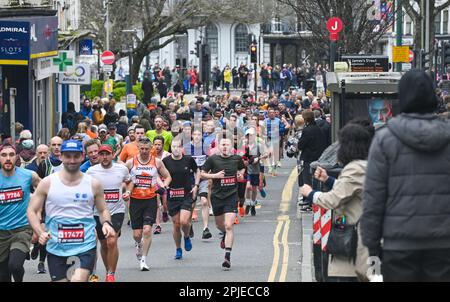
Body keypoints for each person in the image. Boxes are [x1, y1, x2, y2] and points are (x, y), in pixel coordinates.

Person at [361, 70, 450, 282]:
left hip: (398, 245)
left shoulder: (385, 139)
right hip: (443, 243)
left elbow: (373, 199)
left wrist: (372, 248)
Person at [27, 139, 115, 282]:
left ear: (82, 156)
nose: (72, 160)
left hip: (85, 245)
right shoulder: (47, 183)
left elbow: (103, 209)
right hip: (56, 247)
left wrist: (106, 223)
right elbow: (32, 210)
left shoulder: (93, 184)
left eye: (76, 156)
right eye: (68, 156)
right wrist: (40, 232)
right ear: (61, 157)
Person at [301, 124, 373, 282]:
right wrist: (328, 180)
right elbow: (350, 190)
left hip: (354, 240)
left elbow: (333, 200)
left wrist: (310, 193)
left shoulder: (355, 168)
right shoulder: (367, 165)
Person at [124, 137, 171, 271]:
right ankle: (138, 244)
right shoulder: (130, 163)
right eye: (142, 148)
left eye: (147, 149)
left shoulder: (156, 162)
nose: (144, 151)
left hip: (150, 200)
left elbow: (168, 176)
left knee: (147, 230)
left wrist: (164, 187)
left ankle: (143, 260)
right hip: (135, 201)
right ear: (138, 148)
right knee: (137, 234)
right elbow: (122, 178)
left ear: (151, 149)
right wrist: (126, 191)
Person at [201, 133, 246, 270]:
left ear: (232, 146)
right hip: (217, 197)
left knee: (228, 225)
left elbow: (242, 167)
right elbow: (201, 173)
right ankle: (224, 235)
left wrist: (240, 173)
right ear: (218, 146)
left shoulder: (236, 158)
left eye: (227, 144)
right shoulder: (213, 159)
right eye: (222, 145)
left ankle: (227, 256)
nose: (225, 147)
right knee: (220, 225)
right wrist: (214, 175)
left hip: (232, 196)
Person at [86, 145, 130, 282]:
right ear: (98, 156)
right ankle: (107, 269)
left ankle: (111, 274)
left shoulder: (121, 169)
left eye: (107, 154)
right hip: (97, 212)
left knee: (112, 240)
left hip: (116, 210)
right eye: (102, 154)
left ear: (113, 155)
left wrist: (128, 191)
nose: (104, 157)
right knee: (104, 244)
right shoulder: (91, 171)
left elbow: (129, 181)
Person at [0, 144, 40, 282]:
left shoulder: (29, 175)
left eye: (11, 155)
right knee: (3, 275)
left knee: (15, 266)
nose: (8, 158)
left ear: (16, 157)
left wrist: (38, 220)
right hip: (1, 232)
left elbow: (43, 192)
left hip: (22, 229)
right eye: (4, 155)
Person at [163, 139, 201, 259]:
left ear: (181, 148)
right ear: (171, 148)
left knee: (184, 221)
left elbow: (197, 171)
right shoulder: (166, 161)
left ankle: (186, 236)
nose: (176, 149)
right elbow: (159, 174)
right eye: (173, 147)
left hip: (186, 194)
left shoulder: (188, 159)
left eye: (178, 146)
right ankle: (178, 248)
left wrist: (196, 185)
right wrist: (162, 185)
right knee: (176, 224)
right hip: (172, 196)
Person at [189, 129, 213, 239]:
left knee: (204, 201)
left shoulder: (205, 147)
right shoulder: (187, 148)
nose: (197, 136)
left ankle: (205, 228)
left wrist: (208, 175)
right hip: (190, 180)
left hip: (203, 179)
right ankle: (189, 225)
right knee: (191, 205)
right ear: (191, 135)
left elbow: (209, 162)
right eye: (195, 134)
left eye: (199, 134)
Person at [152, 136, 171, 235]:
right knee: (156, 202)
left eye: (159, 144)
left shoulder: (167, 155)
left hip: (165, 181)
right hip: (155, 181)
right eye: (155, 144)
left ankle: (165, 211)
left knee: (164, 203)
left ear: (163, 145)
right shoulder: (151, 156)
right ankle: (158, 225)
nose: (157, 146)